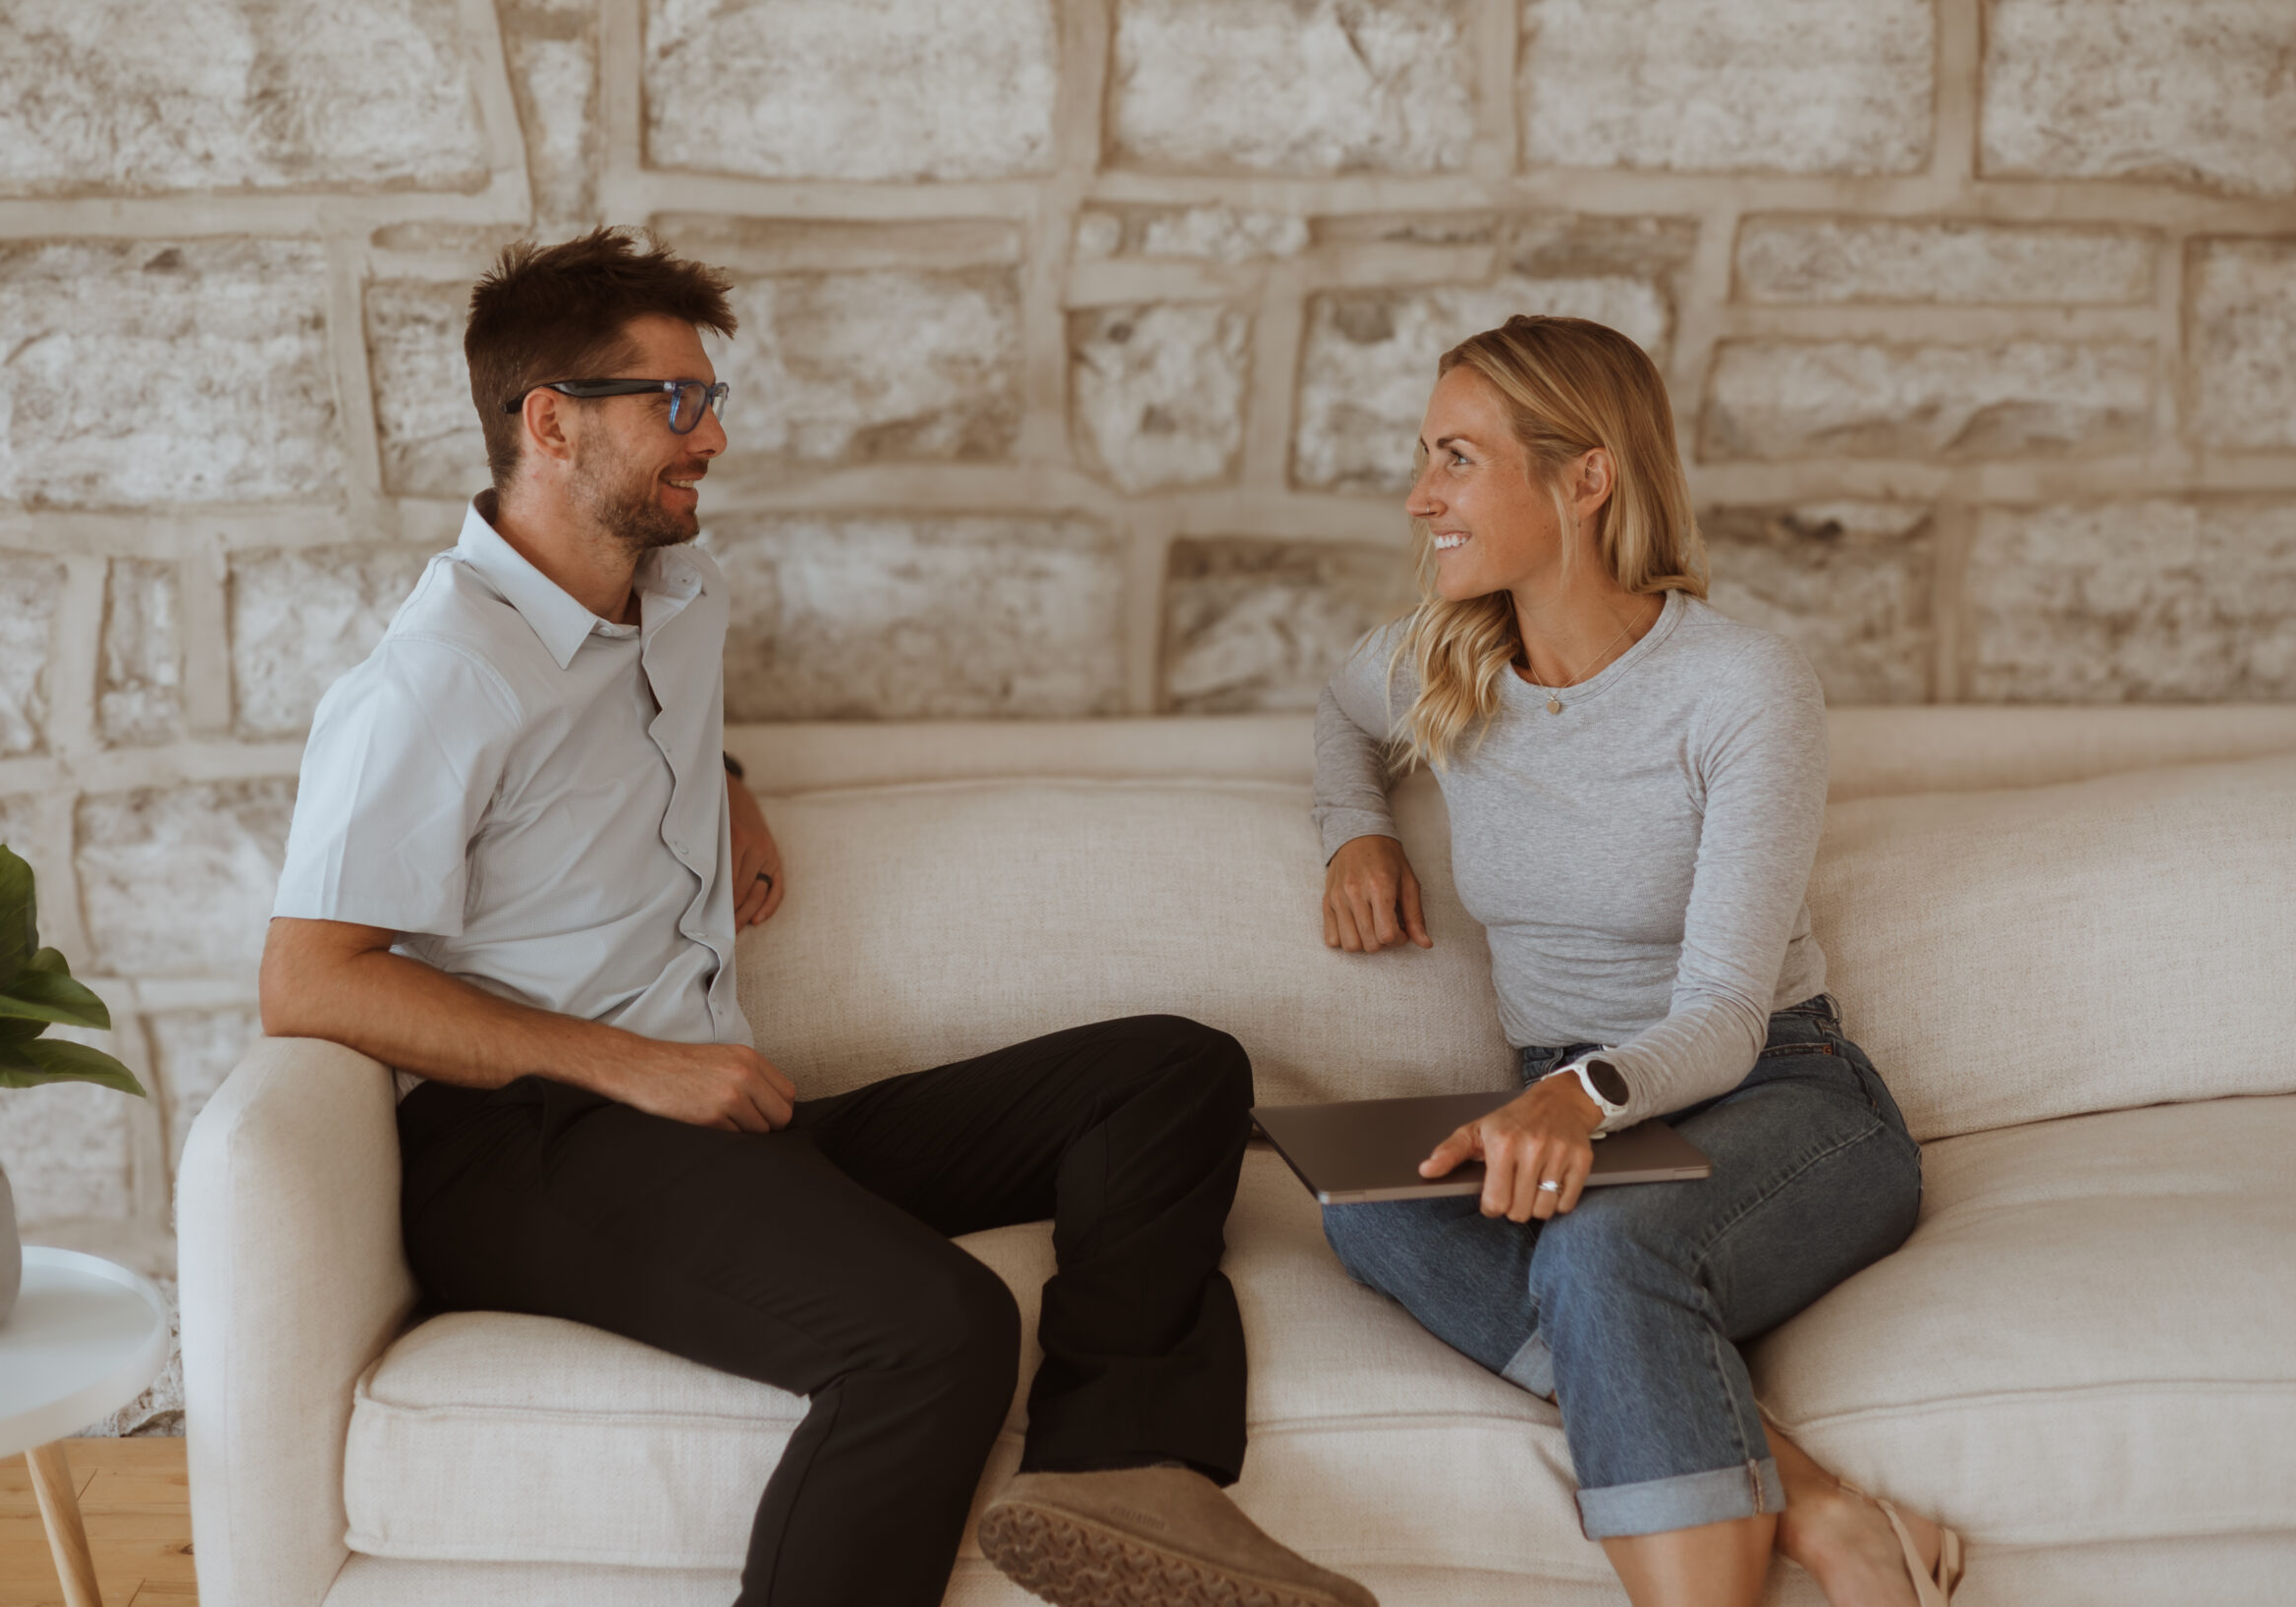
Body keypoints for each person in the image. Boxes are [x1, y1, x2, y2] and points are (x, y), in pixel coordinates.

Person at [258, 228, 1373, 1607]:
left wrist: (721, 778)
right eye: (676, 401)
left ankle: (1113, 1472)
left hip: (711, 1121)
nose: (711, 435)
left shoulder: (674, 593)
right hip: (524, 1147)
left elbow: (616, 730)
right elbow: (310, 981)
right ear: (548, 422)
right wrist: (636, 1065)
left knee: (1175, 1071)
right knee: (940, 1333)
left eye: (711, 398)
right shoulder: (428, 683)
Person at [1310, 315, 1966, 1607]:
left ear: (1586, 477)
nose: (1420, 496)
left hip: (1777, 1093)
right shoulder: (1448, 669)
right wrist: (1358, 836)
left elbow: (1723, 1013)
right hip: (1568, 1108)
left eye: (1456, 458)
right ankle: (1820, 1507)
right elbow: (1337, 709)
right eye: (1424, 457)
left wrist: (1580, 1098)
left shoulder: (1738, 688)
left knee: (1601, 1253)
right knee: (1367, 1210)